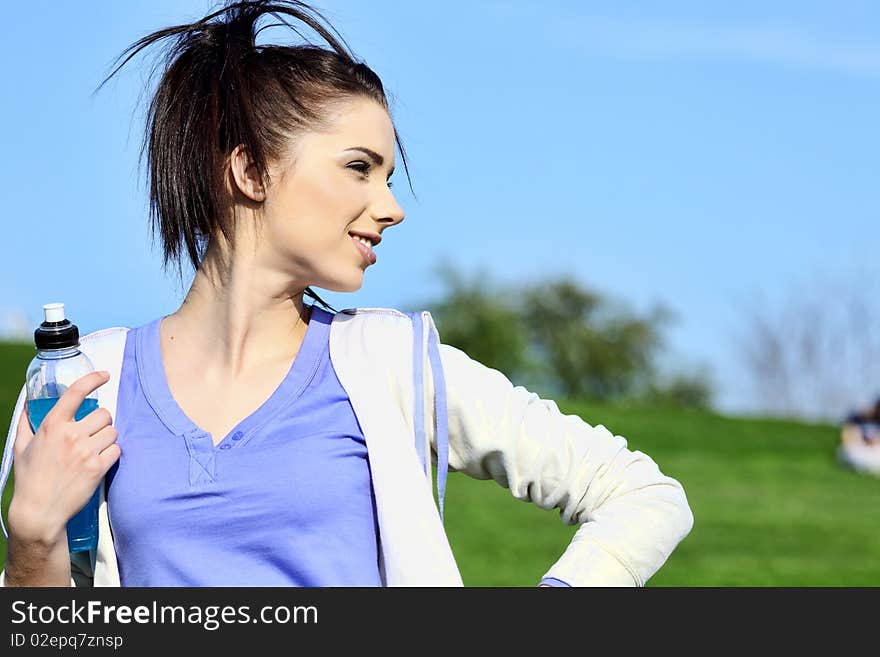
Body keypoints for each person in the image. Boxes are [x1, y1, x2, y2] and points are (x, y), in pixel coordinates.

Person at [0, 0, 693, 587]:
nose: (390, 207)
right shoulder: (86, 382)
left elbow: (640, 493)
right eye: (360, 168)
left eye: (386, 175)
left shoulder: (388, 362)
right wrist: (31, 541)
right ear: (249, 170)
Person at [837, 396, 880, 476]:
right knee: (845, 451)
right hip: (859, 447)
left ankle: (866, 468)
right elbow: (846, 436)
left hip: (875, 450)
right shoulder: (858, 418)